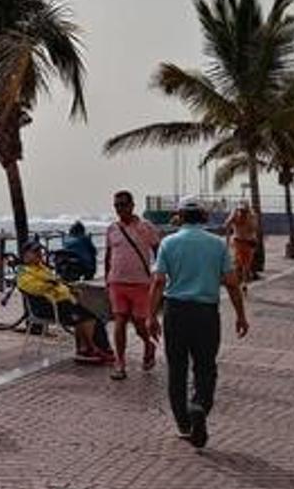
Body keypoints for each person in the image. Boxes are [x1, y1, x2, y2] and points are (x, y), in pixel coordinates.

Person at [147, 197, 248, 449]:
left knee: (177, 369)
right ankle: (199, 405)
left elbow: (158, 281)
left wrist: (150, 316)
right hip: (206, 312)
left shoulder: (168, 243)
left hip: (176, 311)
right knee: (205, 366)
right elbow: (232, 283)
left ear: (179, 216)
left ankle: (184, 424)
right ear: (203, 216)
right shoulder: (217, 245)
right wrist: (240, 316)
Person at [17, 239, 112, 363]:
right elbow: (35, 288)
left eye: (39, 251)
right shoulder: (24, 273)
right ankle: (93, 348)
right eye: (35, 252)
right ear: (25, 255)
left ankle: (89, 349)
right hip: (48, 307)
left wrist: (68, 288)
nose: (39, 254)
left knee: (91, 315)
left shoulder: (42, 269)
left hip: (62, 302)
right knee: (86, 318)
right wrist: (51, 285)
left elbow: (57, 282)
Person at [104, 190, 161, 380]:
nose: (120, 209)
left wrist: (159, 274)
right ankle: (119, 363)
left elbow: (158, 250)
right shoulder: (112, 229)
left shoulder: (146, 227)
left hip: (141, 284)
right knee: (119, 322)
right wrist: (107, 278)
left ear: (131, 206)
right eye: (116, 205)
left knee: (139, 324)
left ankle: (149, 344)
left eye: (123, 204)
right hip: (117, 283)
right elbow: (108, 255)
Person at [224, 202, 260, 287]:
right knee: (237, 262)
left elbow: (254, 229)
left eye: (244, 211)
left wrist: (249, 219)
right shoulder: (235, 216)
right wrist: (227, 240)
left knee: (247, 264)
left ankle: (244, 282)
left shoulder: (252, 217)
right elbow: (227, 225)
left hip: (248, 242)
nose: (242, 213)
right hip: (238, 241)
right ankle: (237, 282)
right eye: (240, 210)